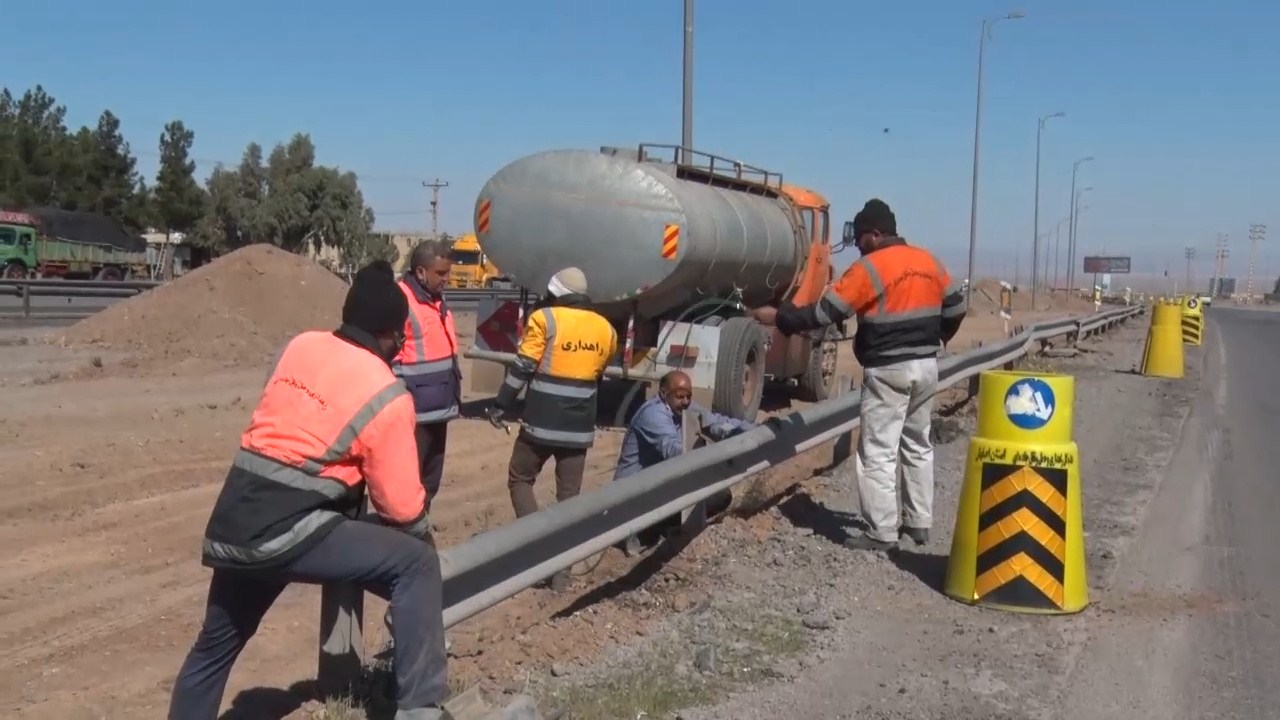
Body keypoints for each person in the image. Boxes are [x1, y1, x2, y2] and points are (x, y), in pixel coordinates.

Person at [167, 260, 448, 720]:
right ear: (390, 335)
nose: (400, 346)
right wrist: (423, 540)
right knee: (416, 564)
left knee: (214, 647)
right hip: (294, 530)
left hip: (237, 518)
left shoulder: (299, 346)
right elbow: (401, 508)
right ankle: (421, 709)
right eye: (400, 336)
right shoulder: (387, 392)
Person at [753, 198, 966, 552]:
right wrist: (938, 336)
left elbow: (826, 312)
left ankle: (880, 532)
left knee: (879, 449)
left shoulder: (870, 268)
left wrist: (784, 317)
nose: (857, 245)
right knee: (917, 444)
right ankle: (918, 523)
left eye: (861, 237)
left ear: (876, 234)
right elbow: (957, 307)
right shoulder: (928, 261)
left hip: (888, 369)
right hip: (927, 366)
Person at [486, 267, 617, 591]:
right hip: (579, 427)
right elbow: (599, 369)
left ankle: (539, 549)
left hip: (541, 423)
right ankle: (562, 575)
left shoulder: (545, 319)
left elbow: (523, 367)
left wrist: (501, 403)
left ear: (555, 293)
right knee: (569, 498)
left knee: (520, 478)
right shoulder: (606, 328)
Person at [612, 370, 755, 551]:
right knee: (705, 494)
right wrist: (714, 454)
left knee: (719, 496)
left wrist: (750, 429)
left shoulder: (683, 407)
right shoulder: (653, 414)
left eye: (689, 396)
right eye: (680, 396)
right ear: (664, 394)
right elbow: (675, 451)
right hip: (632, 494)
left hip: (657, 483)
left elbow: (717, 422)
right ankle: (637, 531)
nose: (686, 402)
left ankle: (663, 529)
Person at [394, 239, 460, 512]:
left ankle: (420, 527)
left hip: (439, 409)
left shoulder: (435, 299)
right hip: (414, 413)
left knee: (430, 482)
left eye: (448, 272)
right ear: (421, 272)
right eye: (441, 274)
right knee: (409, 482)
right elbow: (390, 355)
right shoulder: (400, 301)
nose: (447, 279)